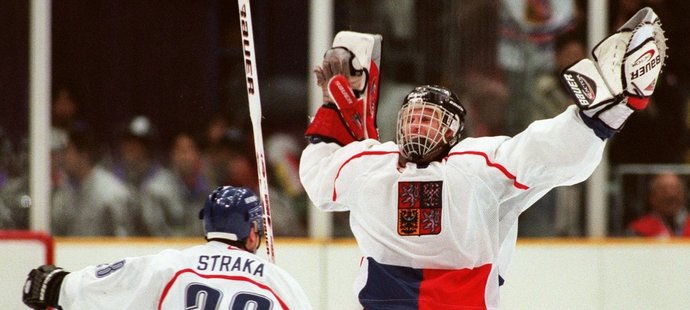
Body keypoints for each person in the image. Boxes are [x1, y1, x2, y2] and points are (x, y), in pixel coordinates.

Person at [299, 8, 665, 309]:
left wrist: (598, 115)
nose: (419, 129)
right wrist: (335, 107)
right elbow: (319, 178)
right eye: (414, 119)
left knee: (523, 182)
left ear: (454, 135)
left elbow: (540, 151)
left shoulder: (473, 165)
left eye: (431, 121)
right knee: (520, 187)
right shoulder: (372, 165)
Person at [22, 186, 314, 309]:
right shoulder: (280, 282)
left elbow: (112, 284)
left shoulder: (173, 265)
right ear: (252, 233)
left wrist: (58, 285)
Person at [52, 128, 133, 236]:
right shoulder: (67, 192)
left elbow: (123, 242)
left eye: (67, 151)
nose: (63, 158)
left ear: (83, 155)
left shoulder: (111, 193)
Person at [628, 172, 690, 237]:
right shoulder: (638, 230)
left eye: (675, 189)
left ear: (683, 195)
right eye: (663, 190)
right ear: (652, 197)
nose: (670, 194)